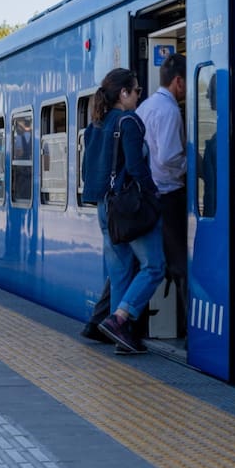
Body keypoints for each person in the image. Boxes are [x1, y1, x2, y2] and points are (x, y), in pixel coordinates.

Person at [81, 68, 165, 354]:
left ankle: (121, 339)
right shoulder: (129, 121)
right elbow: (136, 168)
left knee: (120, 273)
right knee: (154, 266)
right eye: (137, 90)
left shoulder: (94, 126)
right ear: (123, 93)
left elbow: (87, 172)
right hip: (128, 209)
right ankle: (119, 319)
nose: (139, 95)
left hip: (104, 208)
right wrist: (154, 195)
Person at [136, 52, 188, 337]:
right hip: (169, 196)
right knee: (181, 264)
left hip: (148, 197)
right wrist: (190, 164)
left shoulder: (145, 106)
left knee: (147, 262)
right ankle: (191, 331)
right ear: (178, 81)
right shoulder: (169, 110)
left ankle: (113, 320)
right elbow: (169, 157)